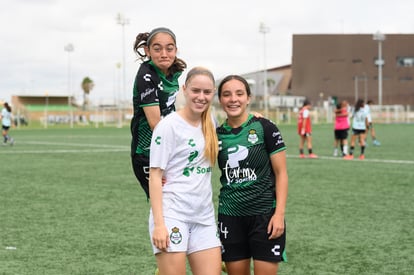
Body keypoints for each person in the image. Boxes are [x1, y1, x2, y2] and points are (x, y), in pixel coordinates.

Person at [148, 67, 221, 275]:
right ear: (185, 90)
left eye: (207, 92)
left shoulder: (211, 123)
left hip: (204, 217)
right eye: (195, 90)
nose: (201, 97)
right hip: (172, 215)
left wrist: (256, 117)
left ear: (213, 93)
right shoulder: (168, 126)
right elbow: (154, 177)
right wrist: (159, 225)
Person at [216, 75, 288, 275]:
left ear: (248, 98)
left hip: (265, 216)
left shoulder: (265, 127)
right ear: (220, 100)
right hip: (230, 216)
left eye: (239, 94)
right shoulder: (215, 134)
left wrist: (279, 214)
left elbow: (281, 173)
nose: (233, 99)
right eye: (227, 94)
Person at [130, 27, 187, 199]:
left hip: (170, 148)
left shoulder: (173, 72)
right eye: (157, 48)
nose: (164, 53)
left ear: (175, 50)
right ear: (147, 51)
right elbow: (156, 124)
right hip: (148, 153)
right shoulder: (146, 76)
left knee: (179, 201)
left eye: (169, 48)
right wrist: (187, 136)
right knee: (164, 205)